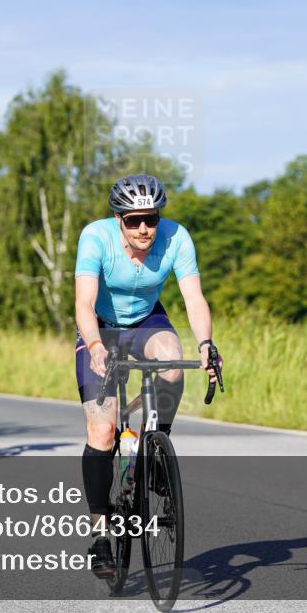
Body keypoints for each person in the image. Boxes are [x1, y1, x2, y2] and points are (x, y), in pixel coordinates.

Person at [74, 174, 221, 578]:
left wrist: (206, 344)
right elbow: (84, 302)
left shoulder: (176, 238)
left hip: (146, 321)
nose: (144, 229)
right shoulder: (95, 238)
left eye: (151, 219)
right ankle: (101, 534)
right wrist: (96, 345)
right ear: (118, 218)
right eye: (134, 219)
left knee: (172, 362)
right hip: (101, 326)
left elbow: (193, 297)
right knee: (102, 432)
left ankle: (156, 448)